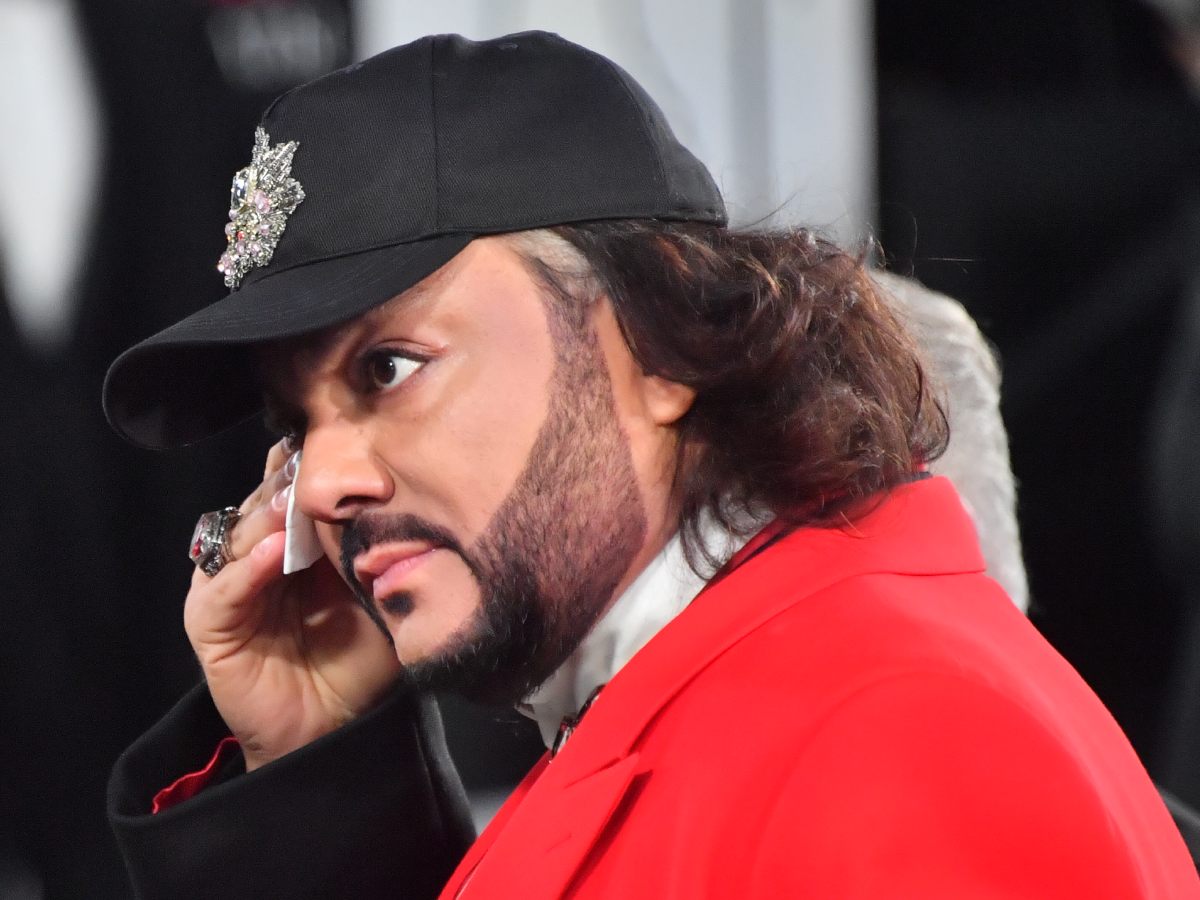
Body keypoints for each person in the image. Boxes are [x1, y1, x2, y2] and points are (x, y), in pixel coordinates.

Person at [101, 31, 1198, 898]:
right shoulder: (722, 705)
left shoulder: (892, 740)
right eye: (297, 423)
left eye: (388, 368)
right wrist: (316, 776)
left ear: (655, 337)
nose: (325, 483)